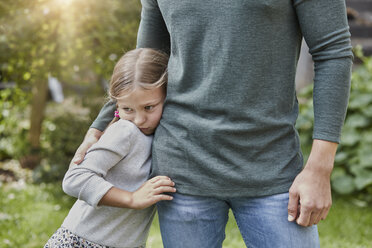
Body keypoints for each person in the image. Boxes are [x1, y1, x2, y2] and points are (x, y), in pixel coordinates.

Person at [73, 0, 353, 247]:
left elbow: (333, 52)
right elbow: (145, 63)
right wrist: (97, 128)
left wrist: (320, 167)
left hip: (271, 166)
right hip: (182, 172)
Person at [45, 48, 176, 248]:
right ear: (116, 106)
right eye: (127, 109)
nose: (139, 120)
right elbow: (74, 179)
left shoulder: (162, 135)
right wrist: (131, 198)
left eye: (149, 107)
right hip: (83, 242)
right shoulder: (125, 131)